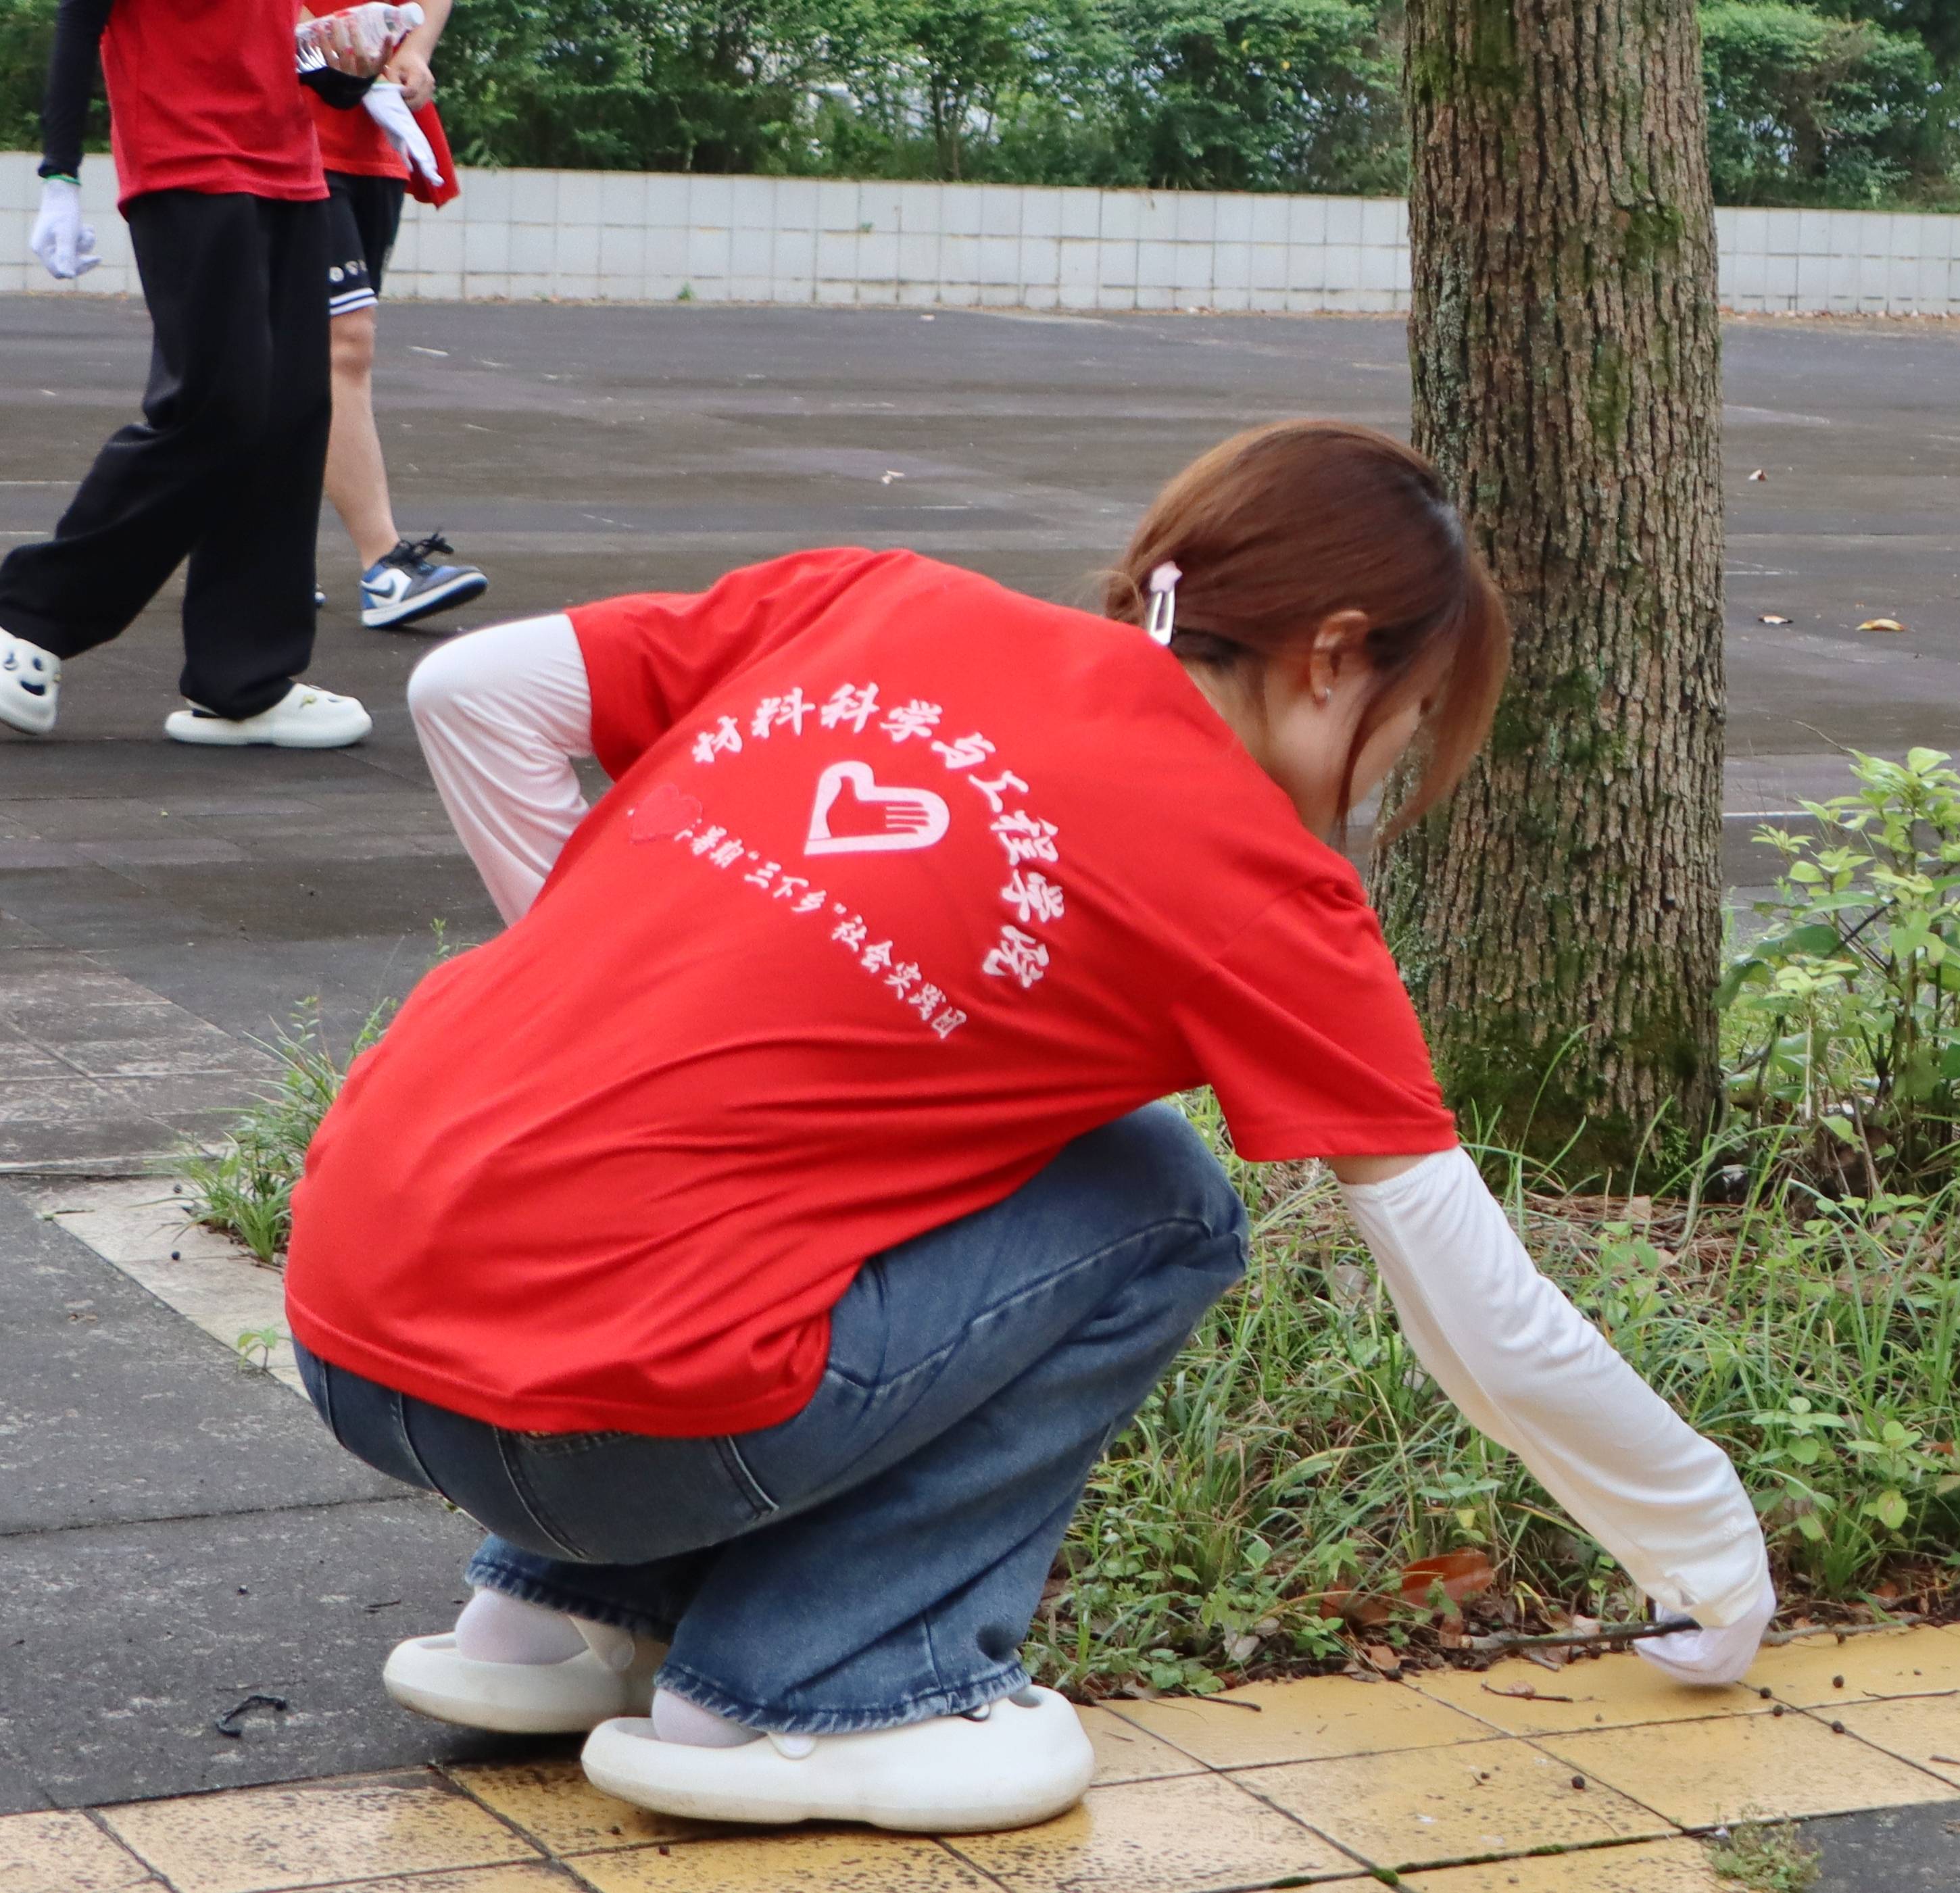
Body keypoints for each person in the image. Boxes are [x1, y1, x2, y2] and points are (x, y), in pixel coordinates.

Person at [281, 422, 1778, 1834]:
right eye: (1419, 718)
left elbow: (468, 692)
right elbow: (1474, 1302)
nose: (1396, 770)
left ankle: (546, 1617)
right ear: (1334, 656)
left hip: (348, 1331)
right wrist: (1700, 1538)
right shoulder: (1255, 876)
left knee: (895, 1173)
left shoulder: (882, 601)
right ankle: (825, 1690)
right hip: (617, 1432)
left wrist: (620, 1008)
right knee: (1156, 1193)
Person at [1, 0, 387, 747]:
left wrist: (348, 65)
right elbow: (80, 19)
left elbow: (279, 45)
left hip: (292, 173)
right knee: (220, 408)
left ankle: (244, 681)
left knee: (290, 418)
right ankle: (24, 615)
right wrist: (60, 174)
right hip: (188, 164)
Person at [310, 0, 491, 631]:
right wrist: (320, 38)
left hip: (374, 132)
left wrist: (413, 48)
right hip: (285, 128)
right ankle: (384, 566)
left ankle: (249, 546)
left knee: (305, 353)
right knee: (343, 343)